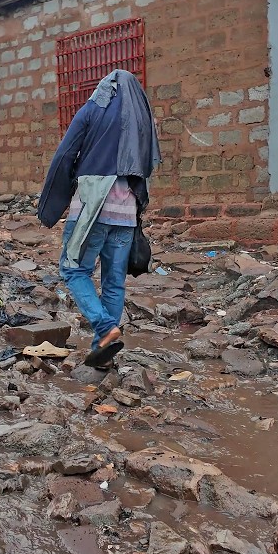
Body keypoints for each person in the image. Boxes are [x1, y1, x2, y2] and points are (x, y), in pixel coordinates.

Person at [38, 69, 161, 368]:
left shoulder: (93, 109)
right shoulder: (143, 119)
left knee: (73, 269)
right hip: (127, 212)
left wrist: (51, 203)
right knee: (114, 282)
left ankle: (104, 328)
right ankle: (102, 352)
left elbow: (66, 153)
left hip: (93, 205)